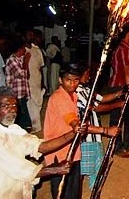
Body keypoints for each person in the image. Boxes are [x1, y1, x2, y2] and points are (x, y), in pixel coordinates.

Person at [44, 63, 119, 199]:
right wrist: (105, 130)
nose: (72, 84)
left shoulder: (73, 96)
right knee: (63, 192)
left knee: (73, 191)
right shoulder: (59, 97)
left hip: (73, 150)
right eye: (68, 80)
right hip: (59, 153)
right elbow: (73, 121)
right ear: (60, 80)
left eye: (76, 80)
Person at [0, 86, 78, 199]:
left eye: (14, 105)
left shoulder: (13, 130)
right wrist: (54, 169)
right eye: (6, 106)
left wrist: (72, 134)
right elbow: (18, 168)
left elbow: (40, 146)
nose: (12, 109)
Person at [76, 65, 123, 189]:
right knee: (84, 169)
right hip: (87, 138)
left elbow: (101, 99)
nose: (89, 76)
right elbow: (95, 107)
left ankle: (93, 191)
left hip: (94, 137)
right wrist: (118, 104)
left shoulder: (86, 90)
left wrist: (118, 94)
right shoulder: (78, 91)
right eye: (87, 73)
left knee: (96, 168)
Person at [108, 25, 129, 158]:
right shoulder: (124, 49)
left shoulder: (121, 48)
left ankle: (128, 142)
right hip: (120, 86)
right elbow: (126, 70)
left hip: (121, 85)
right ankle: (117, 146)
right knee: (118, 116)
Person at [5, 34, 32, 132]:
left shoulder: (19, 59)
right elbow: (21, 74)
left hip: (22, 94)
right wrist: (26, 61)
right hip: (16, 94)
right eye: (24, 48)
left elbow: (26, 75)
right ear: (19, 49)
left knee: (24, 118)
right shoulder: (11, 60)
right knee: (21, 119)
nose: (25, 50)